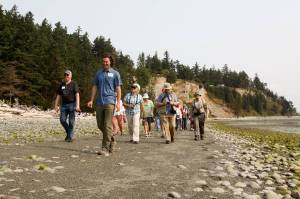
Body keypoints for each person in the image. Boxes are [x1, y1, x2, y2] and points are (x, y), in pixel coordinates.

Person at [87, 53, 122, 156]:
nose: (105, 63)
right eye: (103, 61)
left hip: (110, 101)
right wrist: (91, 100)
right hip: (99, 102)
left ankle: (105, 148)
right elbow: (94, 87)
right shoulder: (99, 73)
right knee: (100, 125)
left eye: (106, 61)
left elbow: (118, 88)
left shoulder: (115, 73)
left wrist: (118, 102)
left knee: (107, 125)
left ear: (110, 62)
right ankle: (112, 140)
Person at [54, 70, 80, 142]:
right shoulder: (61, 85)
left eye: (67, 75)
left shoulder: (74, 84)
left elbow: (77, 95)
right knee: (62, 120)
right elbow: (58, 96)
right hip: (64, 105)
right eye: (65, 75)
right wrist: (56, 106)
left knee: (71, 122)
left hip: (72, 104)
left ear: (70, 76)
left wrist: (77, 106)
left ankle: (69, 137)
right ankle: (70, 133)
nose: (66, 76)